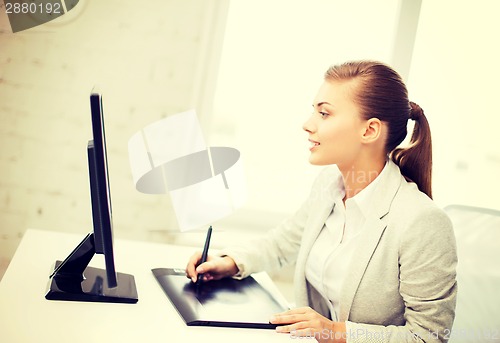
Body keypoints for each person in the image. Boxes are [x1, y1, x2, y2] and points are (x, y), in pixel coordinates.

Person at [185, 60, 457, 343]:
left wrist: (334, 332)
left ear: (370, 131)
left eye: (324, 113)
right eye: (313, 111)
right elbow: (283, 243)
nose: (307, 124)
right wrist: (230, 262)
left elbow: (429, 336)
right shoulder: (329, 185)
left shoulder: (421, 222)